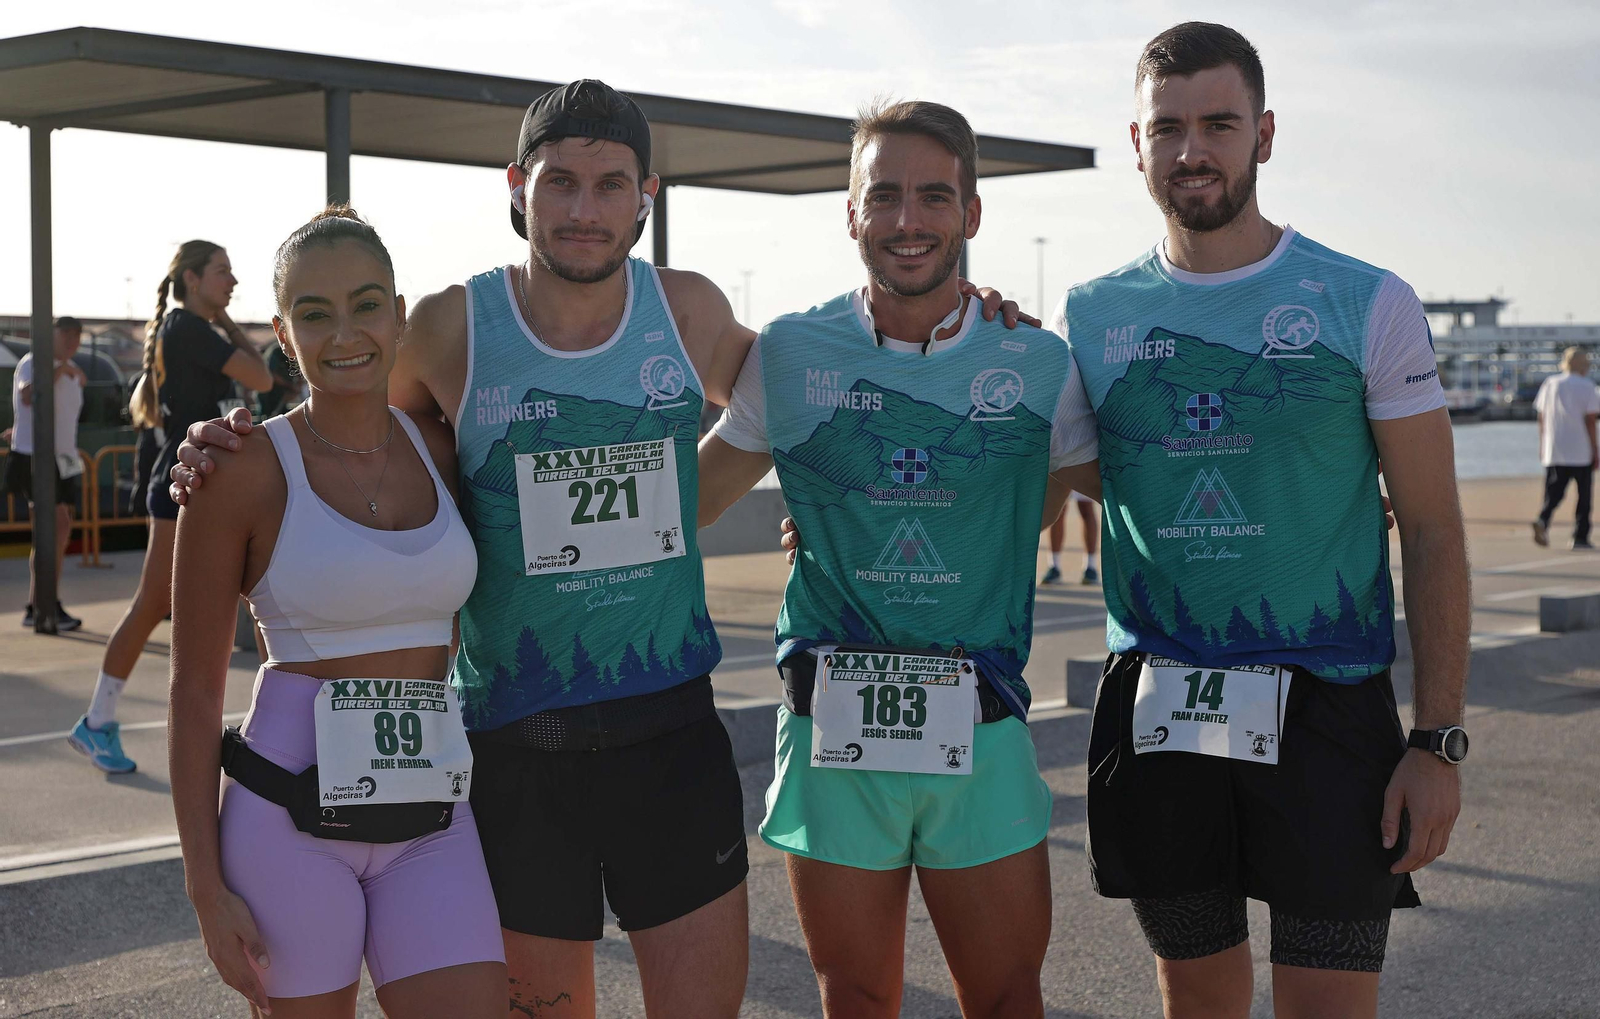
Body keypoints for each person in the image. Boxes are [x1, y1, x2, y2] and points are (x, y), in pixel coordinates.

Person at [1056, 23, 1468, 1018]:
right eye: (1169, 128)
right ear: (1136, 141)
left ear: (1264, 135)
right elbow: (1038, 485)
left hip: (1327, 708)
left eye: (1218, 124)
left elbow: (1432, 526)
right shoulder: (1090, 314)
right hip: (1162, 708)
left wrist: (1439, 737)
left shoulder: (1363, 300)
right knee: (1195, 1002)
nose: (1192, 150)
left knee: (1326, 1004)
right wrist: (839, 513)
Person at [700, 99, 1101, 1018]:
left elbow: (1141, 489)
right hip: (834, 727)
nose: (908, 220)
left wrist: (1352, 492)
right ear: (851, 211)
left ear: (971, 212)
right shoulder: (794, 351)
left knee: (1006, 996)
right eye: (883, 195)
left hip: (984, 719)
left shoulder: (1037, 359)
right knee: (858, 994)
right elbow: (686, 502)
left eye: (933, 196)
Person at [170, 206, 505, 1017]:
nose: (344, 331)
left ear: (398, 313)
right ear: (283, 333)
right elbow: (192, 688)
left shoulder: (443, 445)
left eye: (365, 304)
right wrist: (205, 888)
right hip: (286, 818)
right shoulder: (241, 466)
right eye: (314, 313)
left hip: (431, 813)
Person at [71, 242, 272, 774]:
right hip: (186, 478)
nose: (232, 281)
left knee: (255, 593)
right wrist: (227, 321)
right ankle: (96, 722)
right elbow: (263, 377)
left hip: (201, 476)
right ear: (191, 278)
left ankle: (271, 727)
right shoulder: (190, 328)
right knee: (153, 601)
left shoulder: (181, 328)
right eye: (221, 273)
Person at [4, 315, 87, 630]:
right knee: (51, 530)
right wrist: (60, 371)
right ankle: (44, 603)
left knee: (58, 532)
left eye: (76, 337)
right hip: (36, 459)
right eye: (66, 335)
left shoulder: (69, 370)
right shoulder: (34, 362)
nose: (72, 342)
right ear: (52, 335)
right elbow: (27, 395)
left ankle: (39, 601)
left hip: (61, 460)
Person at [1531, 346, 1598, 550]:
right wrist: (1596, 450)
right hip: (1580, 449)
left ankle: (1543, 519)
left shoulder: (1550, 383)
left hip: (1555, 448)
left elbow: (1541, 418)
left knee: (1554, 491)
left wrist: (1543, 444)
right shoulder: (1587, 386)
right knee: (1584, 496)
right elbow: (1590, 420)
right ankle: (1580, 536)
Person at [1043, 491, 1098, 585]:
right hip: (1062, 476)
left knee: (1086, 507)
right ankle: (1054, 566)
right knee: (1057, 510)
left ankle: (1091, 566)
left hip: (1082, 476)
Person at [256, 341, 303, 419]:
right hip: (268, 393)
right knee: (267, 419)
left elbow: (299, 373)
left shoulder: (294, 353)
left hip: (283, 394)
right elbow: (272, 375)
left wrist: (298, 387)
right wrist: (290, 386)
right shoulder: (276, 352)